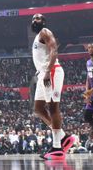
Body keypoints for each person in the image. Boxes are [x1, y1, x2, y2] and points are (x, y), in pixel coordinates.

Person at [29, 13, 72, 160]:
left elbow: (54, 50)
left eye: (38, 18)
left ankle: (57, 147)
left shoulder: (45, 32)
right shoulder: (37, 37)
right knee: (38, 109)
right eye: (33, 19)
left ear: (44, 21)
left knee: (53, 107)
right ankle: (63, 137)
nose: (35, 21)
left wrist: (48, 71)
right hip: (43, 74)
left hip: (51, 71)